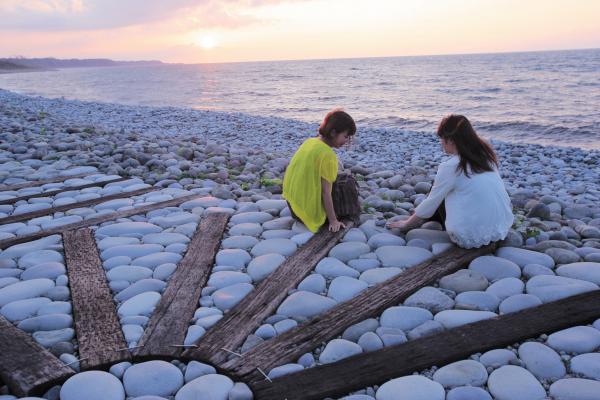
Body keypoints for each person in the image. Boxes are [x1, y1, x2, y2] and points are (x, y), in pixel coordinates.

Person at [387, 114, 513, 248]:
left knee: (439, 191)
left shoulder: (452, 166)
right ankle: (432, 223)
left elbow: (432, 201)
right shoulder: (485, 157)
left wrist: (406, 224)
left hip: (470, 236)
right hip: (500, 229)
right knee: (452, 188)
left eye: (442, 138)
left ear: (451, 140)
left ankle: (427, 223)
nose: (441, 142)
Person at [283, 109, 356, 233]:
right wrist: (333, 220)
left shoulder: (310, 142)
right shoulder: (327, 155)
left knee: (335, 179)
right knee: (348, 182)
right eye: (345, 136)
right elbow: (325, 192)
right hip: (309, 214)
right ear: (333, 132)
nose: (346, 141)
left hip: (293, 206)